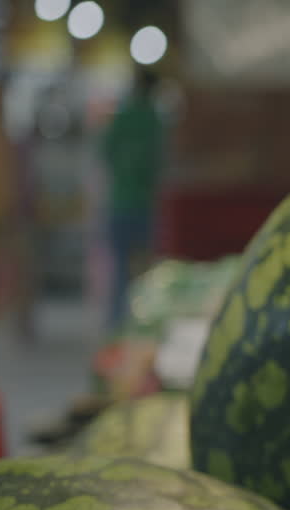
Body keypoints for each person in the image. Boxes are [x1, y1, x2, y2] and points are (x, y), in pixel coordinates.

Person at [101, 68, 166, 333]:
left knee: (120, 273)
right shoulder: (154, 120)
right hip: (145, 205)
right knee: (146, 274)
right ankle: (141, 329)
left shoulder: (121, 117)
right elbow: (160, 163)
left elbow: (104, 153)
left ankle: (117, 329)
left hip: (119, 204)